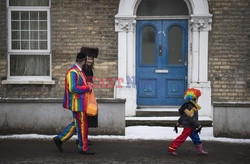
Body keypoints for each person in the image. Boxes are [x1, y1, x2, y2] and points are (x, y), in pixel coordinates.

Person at [53, 51, 94, 155]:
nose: (87, 62)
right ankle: (83, 148)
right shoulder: (73, 72)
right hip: (78, 104)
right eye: (86, 60)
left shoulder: (78, 71)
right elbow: (73, 88)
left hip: (79, 103)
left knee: (77, 124)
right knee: (83, 125)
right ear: (83, 60)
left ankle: (60, 139)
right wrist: (87, 87)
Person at [168, 88, 208, 156]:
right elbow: (190, 118)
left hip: (191, 126)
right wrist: (198, 125)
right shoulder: (191, 107)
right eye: (197, 98)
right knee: (182, 137)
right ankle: (172, 147)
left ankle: (200, 150)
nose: (197, 99)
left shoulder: (187, 105)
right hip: (189, 126)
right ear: (194, 98)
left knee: (196, 138)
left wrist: (179, 122)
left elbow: (183, 116)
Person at [80, 46, 99, 128]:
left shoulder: (90, 70)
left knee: (85, 120)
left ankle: (82, 139)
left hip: (88, 97)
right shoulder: (81, 69)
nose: (90, 60)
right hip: (82, 97)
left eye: (91, 59)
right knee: (81, 121)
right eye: (88, 58)